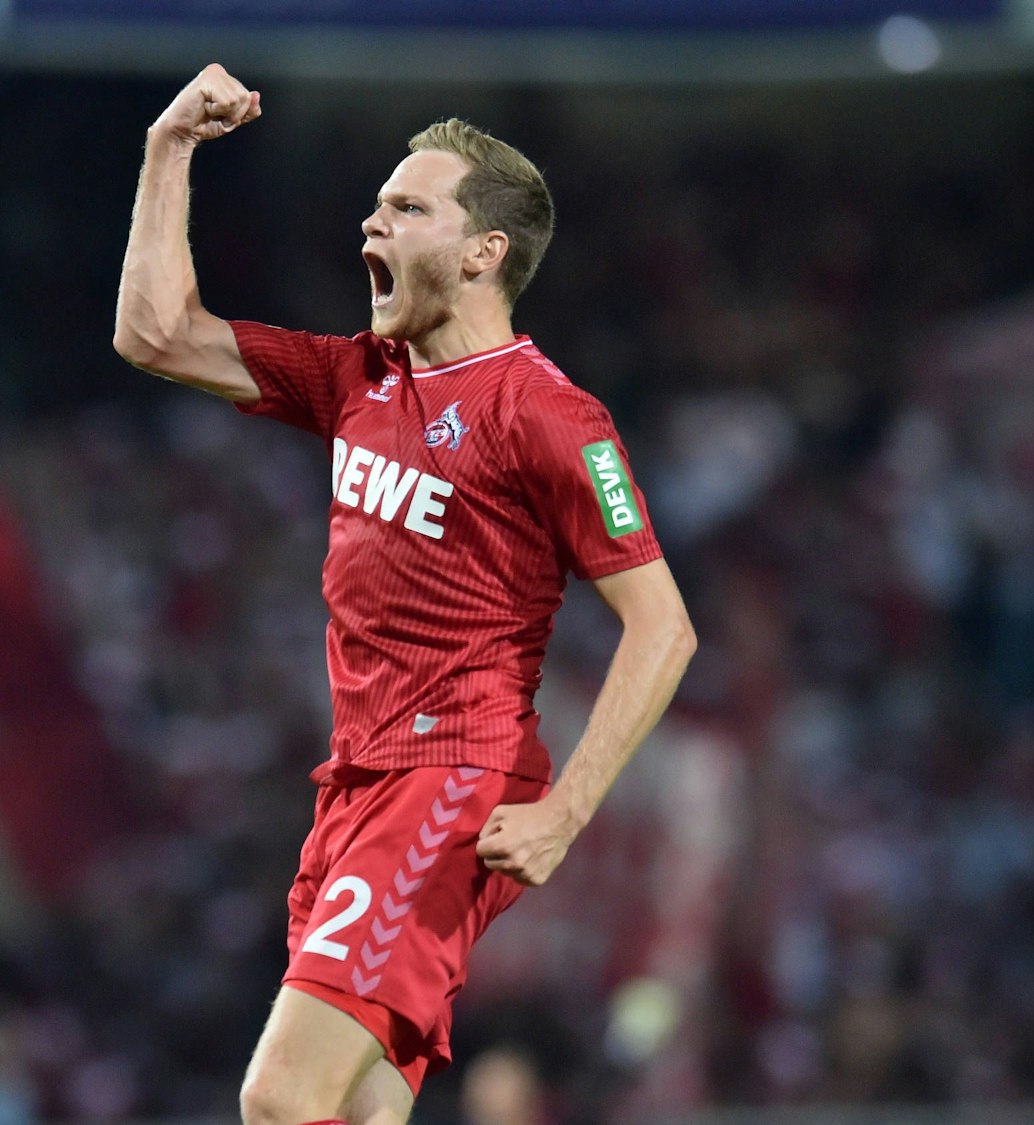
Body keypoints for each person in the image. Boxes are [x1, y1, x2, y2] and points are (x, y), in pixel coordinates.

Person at [113, 64, 698, 1125]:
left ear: (484, 253)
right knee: (362, 1108)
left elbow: (662, 628)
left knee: (281, 1100)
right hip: (353, 787)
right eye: (376, 203)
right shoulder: (356, 378)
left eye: (406, 208)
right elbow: (155, 333)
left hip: (450, 780)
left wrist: (565, 811)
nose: (370, 223)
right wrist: (168, 150)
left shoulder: (548, 415)